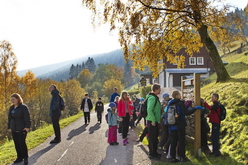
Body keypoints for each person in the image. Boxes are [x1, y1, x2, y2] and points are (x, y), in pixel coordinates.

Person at [167, 90, 201, 163]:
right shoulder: (180, 103)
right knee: (181, 141)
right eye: (179, 94)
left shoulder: (170, 103)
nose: (180, 95)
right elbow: (186, 112)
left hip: (172, 125)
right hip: (180, 125)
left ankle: (173, 158)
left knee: (173, 141)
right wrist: (195, 108)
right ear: (177, 96)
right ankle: (182, 156)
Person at [8, 93, 31, 165]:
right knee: (16, 143)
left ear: (18, 99)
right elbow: (9, 119)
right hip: (14, 129)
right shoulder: (11, 108)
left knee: (22, 143)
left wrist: (27, 127)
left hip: (22, 129)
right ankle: (19, 157)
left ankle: (25, 158)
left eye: (13, 99)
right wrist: (9, 127)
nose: (12, 101)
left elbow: (27, 118)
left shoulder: (23, 107)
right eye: (11, 100)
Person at [146, 83, 162, 160]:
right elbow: (149, 109)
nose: (160, 90)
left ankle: (154, 152)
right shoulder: (152, 98)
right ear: (155, 90)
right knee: (152, 138)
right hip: (152, 121)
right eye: (159, 89)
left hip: (155, 120)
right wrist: (153, 120)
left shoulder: (155, 97)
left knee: (155, 137)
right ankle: (152, 153)